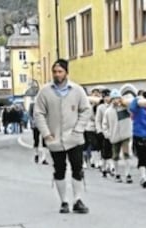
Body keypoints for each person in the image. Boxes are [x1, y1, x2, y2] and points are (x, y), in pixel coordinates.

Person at [32, 59, 92, 214]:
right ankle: (64, 201)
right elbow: (38, 113)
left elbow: (86, 110)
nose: (57, 75)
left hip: (75, 138)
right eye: (55, 72)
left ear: (66, 73)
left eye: (60, 71)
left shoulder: (77, 90)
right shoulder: (45, 92)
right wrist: (46, 133)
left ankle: (77, 200)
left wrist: (79, 129)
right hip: (55, 138)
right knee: (59, 170)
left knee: (77, 169)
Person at [102, 89, 134, 183]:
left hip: (125, 135)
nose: (116, 100)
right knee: (115, 156)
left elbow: (132, 111)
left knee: (126, 154)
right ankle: (117, 173)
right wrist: (108, 135)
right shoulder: (108, 111)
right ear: (111, 100)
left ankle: (128, 174)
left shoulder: (126, 108)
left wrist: (125, 103)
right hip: (114, 136)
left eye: (118, 98)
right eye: (114, 99)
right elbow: (105, 124)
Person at [130, 90, 146, 188]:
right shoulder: (138, 108)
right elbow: (131, 107)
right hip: (138, 134)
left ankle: (144, 175)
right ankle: (143, 177)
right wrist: (137, 98)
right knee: (142, 157)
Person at [95, 89, 114, 177]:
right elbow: (98, 120)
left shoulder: (113, 106)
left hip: (113, 132)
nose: (108, 98)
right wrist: (99, 130)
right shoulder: (100, 107)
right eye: (106, 96)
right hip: (103, 132)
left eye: (109, 96)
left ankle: (110, 167)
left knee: (112, 150)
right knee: (104, 151)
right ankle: (104, 167)